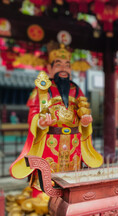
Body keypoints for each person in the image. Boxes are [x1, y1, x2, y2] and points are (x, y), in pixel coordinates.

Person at [10, 44, 103, 197]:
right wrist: (40, 123)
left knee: (72, 181)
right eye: (59, 64)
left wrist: (85, 124)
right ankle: (43, 201)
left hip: (73, 143)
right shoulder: (42, 89)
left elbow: (83, 113)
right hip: (49, 142)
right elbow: (33, 114)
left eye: (67, 65)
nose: (64, 69)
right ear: (50, 68)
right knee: (46, 180)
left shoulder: (76, 89)